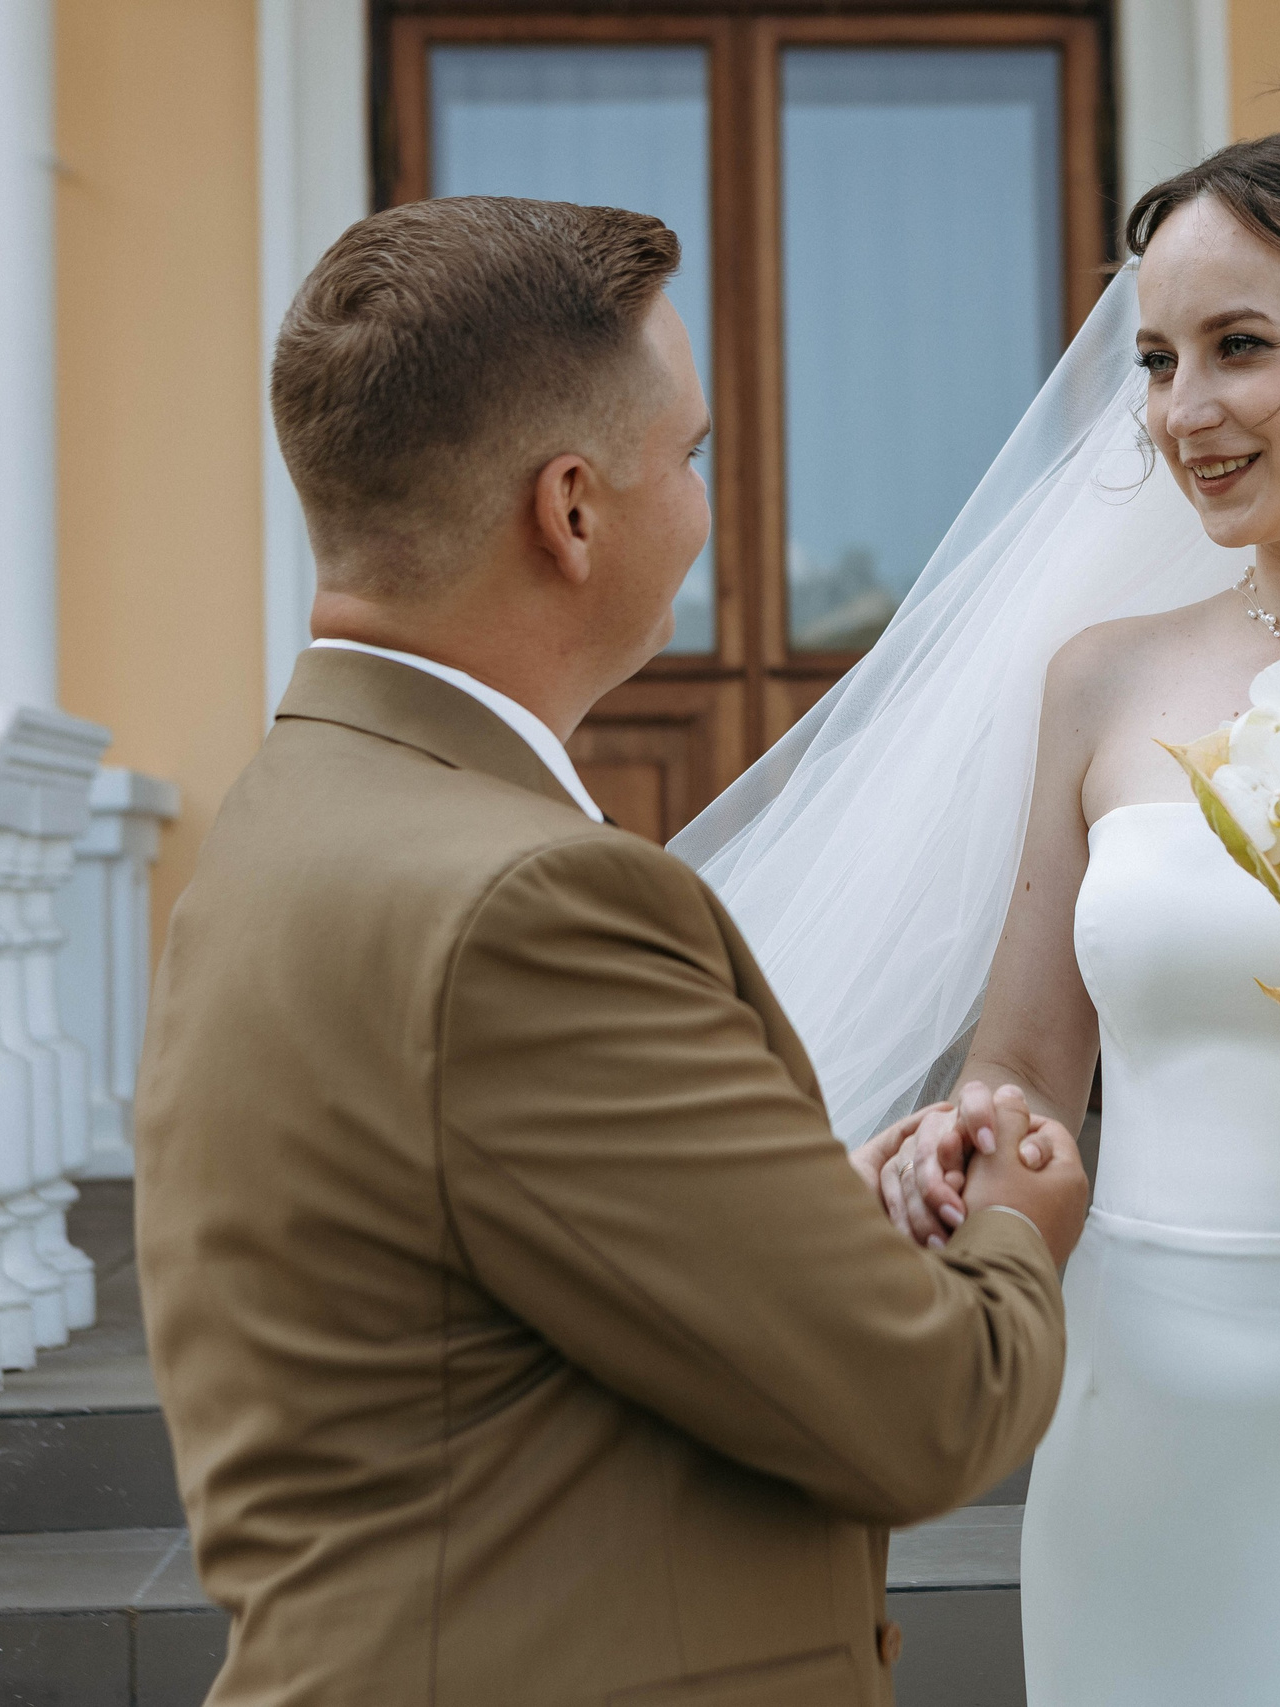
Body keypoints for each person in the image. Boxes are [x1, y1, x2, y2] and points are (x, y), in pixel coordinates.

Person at [675, 104, 1280, 1702]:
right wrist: (963, 1144)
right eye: (1155, 361)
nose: (1181, 411)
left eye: (1238, 347)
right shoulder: (1102, 684)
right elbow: (1021, 1071)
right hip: (1145, 1435)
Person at [133, 195, 1087, 1707]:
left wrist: (807, 1213)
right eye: (693, 456)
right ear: (571, 511)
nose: (712, 501)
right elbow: (927, 1410)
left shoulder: (294, 812)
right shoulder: (531, 905)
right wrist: (1017, 1222)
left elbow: (473, 1260)